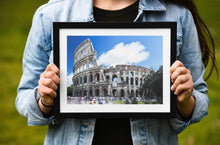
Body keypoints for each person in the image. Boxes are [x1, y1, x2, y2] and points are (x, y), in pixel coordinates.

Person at [16, 0, 217, 145]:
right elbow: (24, 95)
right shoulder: (50, 15)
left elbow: (199, 100)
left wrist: (184, 100)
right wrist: (45, 101)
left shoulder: (178, 14)